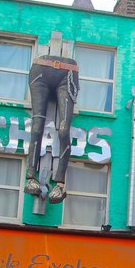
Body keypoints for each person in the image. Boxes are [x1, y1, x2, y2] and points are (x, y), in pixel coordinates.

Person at [23, 53, 79, 204]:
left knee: (64, 129)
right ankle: (31, 178)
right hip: (42, 70)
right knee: (37, 126)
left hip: (67, 73)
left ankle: (59, 184)